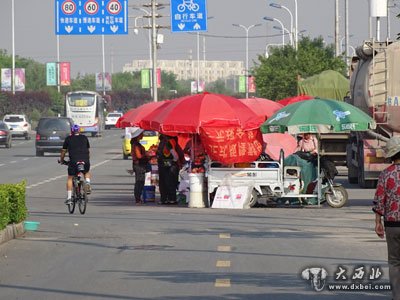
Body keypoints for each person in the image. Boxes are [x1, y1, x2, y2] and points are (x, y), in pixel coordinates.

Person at [373, 136, 400, 300]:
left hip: (392, 225)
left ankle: (397, 296)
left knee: (395, 262)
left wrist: (377, 223)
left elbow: (379, 200)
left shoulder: (386, 174)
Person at [60, 124, 91, 204]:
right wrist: (87, 159)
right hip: (85, 160)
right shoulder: (84, 138)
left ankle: (69, 198)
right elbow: (88, 150)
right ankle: (87, 183)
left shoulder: (68, 139)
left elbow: (63, 151)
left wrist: (62, 160)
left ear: (72, 131)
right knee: (86, 172)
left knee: (70, 178)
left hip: (74, 161)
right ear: (79, 131)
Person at [157, 134, 184, 204]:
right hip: (171, 165)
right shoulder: (170, 142)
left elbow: (174, 154)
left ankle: (164, 199)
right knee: (171, 182)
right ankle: (171, 199)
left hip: (163, 165)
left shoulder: (165, 142)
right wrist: (175, 161)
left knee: (164, 182)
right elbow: (176, 155)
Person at [130, 129, 147, 204]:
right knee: (139, 182)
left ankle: (138, 198)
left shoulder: (136, 144)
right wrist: (147, 155)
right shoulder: (136, 145)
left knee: (140, 182)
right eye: (141, 134)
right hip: (139, 166)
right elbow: (139, 156)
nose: (143, 135)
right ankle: (138, 199)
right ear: (138, 136)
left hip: (139, 165)